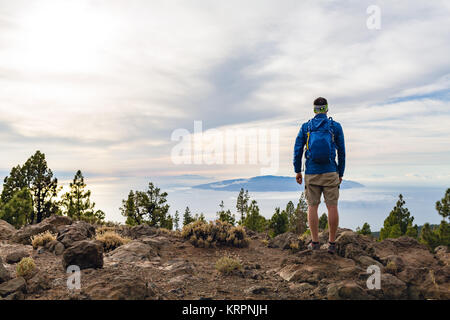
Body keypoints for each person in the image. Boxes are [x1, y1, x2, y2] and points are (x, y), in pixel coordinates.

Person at [293, 97, 345, 254]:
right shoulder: (335, 127)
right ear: (327, 109)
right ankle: (332, 244)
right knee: (332, 206)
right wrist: (340, 172)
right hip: (330, 171)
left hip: (312, 172)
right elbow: (341, 152)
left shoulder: (306, 127)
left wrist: (298, 170)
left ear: (314, 109)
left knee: (312, 207)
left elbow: (297, 150)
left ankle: (315, 243)